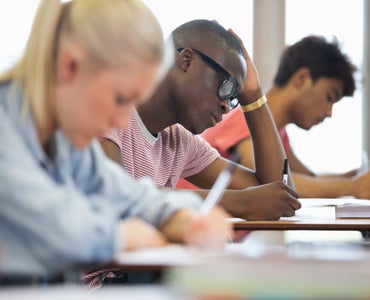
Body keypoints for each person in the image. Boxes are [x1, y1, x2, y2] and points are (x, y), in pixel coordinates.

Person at [0, 0, 231, 284]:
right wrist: (118, 235)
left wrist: (188, 216)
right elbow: (48, 222)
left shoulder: (62, 143)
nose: (123, 122)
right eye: (121, 99)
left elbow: (128, 195)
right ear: (70, 66)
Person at [101, 19, 300, 221]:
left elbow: (277, 197)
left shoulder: (179, 142)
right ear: (187, 60)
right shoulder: (109, 111)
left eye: (233, 99)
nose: (226, 104)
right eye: (227, 86)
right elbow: (118, 194)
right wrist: (238, 202)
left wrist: (253, 96)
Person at [200, 35, 370, 199]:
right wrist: (353, 187)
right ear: (302, 79)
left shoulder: (278, 135)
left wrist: (350, 178)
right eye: (329, 98)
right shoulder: (245, 120)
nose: (329, 113)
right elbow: (272, 182)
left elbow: (307, 177)